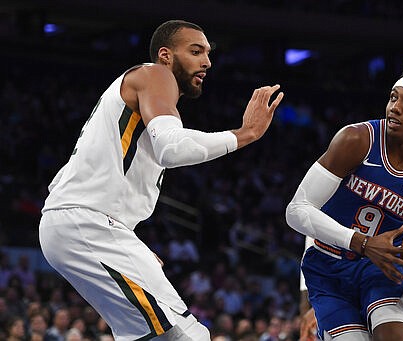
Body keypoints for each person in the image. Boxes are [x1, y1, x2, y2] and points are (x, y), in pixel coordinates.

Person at [38, 19, 284, 341]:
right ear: (165, 55)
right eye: (195, 51)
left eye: (208, 53)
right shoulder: (156, 74)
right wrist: (244, 134)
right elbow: (173, 148)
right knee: (185, 336)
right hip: (86, 222)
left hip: (89, 224)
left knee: (167, 334)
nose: (207, 62)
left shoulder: (142, 97)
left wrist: (127, 240)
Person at [286, 69, 403, 340]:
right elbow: (297, 211)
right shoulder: (356, 140)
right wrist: (362, 242)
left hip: (385, 269)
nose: (395, 107)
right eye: (393, 98)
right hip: (329, 266)